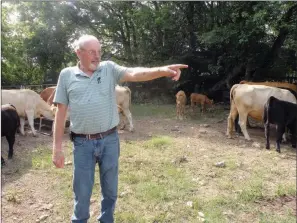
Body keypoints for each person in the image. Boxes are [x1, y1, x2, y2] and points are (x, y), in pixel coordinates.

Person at [52, 34, 188, 223]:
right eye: (92, 52)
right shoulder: (66, 75)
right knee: (82, 192)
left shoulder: (108, 69)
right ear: (78, 52)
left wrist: (163, 70)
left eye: (99, 51)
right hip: (82, 143)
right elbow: (60, 114)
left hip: (110, 140)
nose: (97, 56)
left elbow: (135, 73)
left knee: (110, 190)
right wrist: (57, 149)